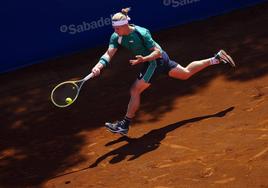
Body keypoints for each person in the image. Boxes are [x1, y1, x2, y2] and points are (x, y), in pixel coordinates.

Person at [91, 8, 235, 135]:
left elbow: (158, 53)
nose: (114, 31)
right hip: (156, 60)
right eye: (114, 28)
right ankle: (216, 59)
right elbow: (109, 54)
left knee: (135, 90)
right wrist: (99, 66)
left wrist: (143, 59)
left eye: (117, 28)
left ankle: (125, 125)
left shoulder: (142, 33)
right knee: (185, 74)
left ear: (124, 25)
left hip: (155, 61)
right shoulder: (116, 36)